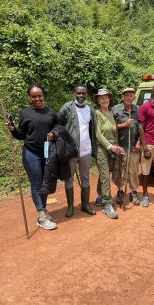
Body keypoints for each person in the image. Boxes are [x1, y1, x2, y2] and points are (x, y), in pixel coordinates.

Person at [8, 85, 58, 230]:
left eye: (39, 95)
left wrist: (54, 133)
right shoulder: (25, 113)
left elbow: (58, 127)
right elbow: (21, 134)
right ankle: (41, 215)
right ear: (30, 97)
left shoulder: (51, 112)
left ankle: (43, 210)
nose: (37, 99)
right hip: (31, 153)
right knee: (37, 184)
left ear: (43, 95)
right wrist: (13, 130)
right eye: (34, 96)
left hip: (47, 153)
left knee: (46, 183)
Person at [59, 84, 96, 218]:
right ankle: (70, 206)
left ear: (86, 94)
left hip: (86, 151)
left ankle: (85, 205)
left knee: (85, 177)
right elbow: (59, 127)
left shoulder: (90, 110)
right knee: (69, 179)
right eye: (78, 93)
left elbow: (92, 129)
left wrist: (94, 150)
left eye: (83, 93)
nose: (81, 96)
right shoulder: (66, 108)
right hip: (71, 152)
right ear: (74, 94)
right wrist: (64, 147)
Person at [94, 88, 123, 219]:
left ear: (109, 99)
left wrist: (116, 146)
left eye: (106, 97)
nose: (104, 99)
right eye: (101, 98)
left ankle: (100, 195)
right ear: (98, 100)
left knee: (106, 173)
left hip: (112, 147)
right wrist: (109, 146)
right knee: (105, 174)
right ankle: (107, 203)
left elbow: (114, 131)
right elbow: (98, 134)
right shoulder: (97, 113)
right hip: (102, 148)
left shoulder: (111, 113)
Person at [112, 87, 140, 206]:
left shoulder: (138, 109)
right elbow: (111, 126)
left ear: (134, 97)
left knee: (133, 171)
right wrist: (124, 124)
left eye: (131, 95)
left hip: (134, 146)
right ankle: (121, 190)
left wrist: (139, 142)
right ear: (122, 97)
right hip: (120, 146)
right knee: (120, 170)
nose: (129, 97)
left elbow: (143, 128)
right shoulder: (115, 109)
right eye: (126, 95)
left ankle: (133, 192)